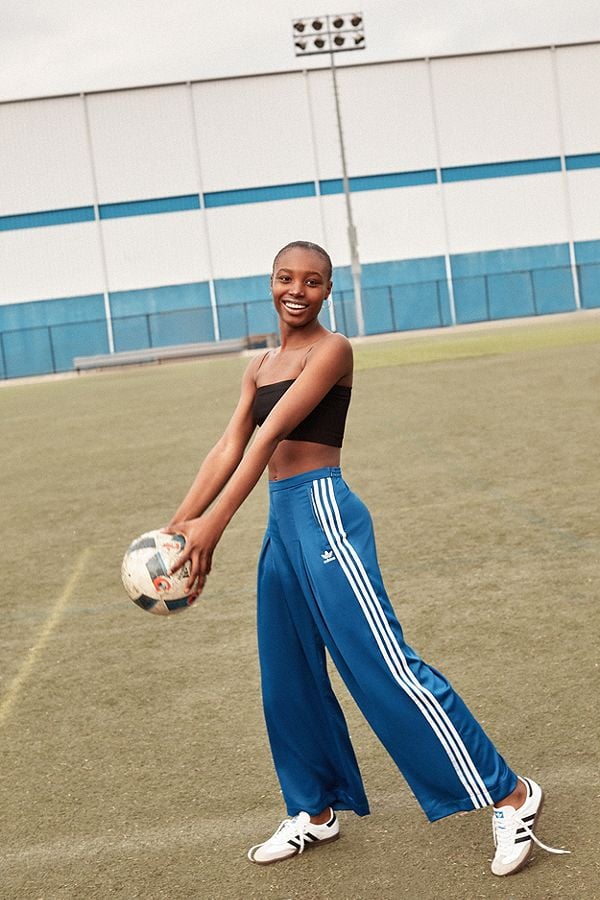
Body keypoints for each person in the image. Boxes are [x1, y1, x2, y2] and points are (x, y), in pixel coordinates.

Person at [165, 240, 568, 876]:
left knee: (384, 668)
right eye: (285, 278)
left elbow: (272, 435)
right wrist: (179, 524)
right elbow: (229, 443)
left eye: (312, 281)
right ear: (270, 283)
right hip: (282, 523)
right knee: (286, 677)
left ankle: (513, 795)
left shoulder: (333, 350)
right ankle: (314, 810)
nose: (297, 290)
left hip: (325, 515)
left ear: (328, 290)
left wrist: (213, 526)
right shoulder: (261, 363)